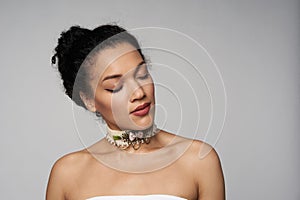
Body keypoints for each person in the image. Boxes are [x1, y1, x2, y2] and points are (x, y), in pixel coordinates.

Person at [46, 24, 225, 200]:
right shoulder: (67, 174)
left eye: (142, 75)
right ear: (89, 100)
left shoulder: (199, 160)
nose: (139, 93)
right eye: (116, 87)